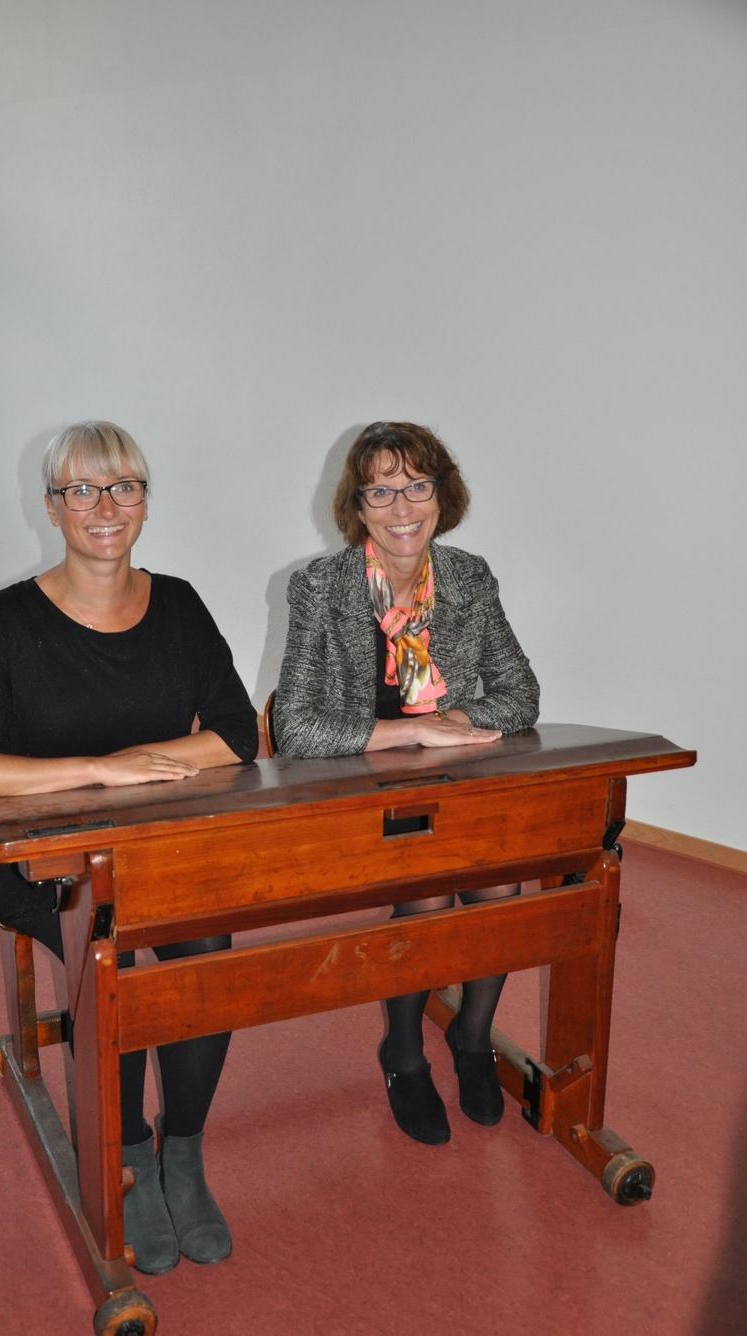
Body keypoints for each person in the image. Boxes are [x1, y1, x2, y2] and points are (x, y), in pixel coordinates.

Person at [0, 421, 258, 1273]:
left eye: (124, 487)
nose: (104, 507)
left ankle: (179, 1151)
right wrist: (97, 772)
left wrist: (139, 772)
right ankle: (119, 1160)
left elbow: (234, 734)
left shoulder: (180, 604)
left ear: (146, 500)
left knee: (205, 946)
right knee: (112, 957)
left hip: (160, 852)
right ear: (52, 506)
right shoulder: (6, 622)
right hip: (48, 867)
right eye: (82, 490)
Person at [273, 421, 539, 1146]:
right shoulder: (321, 588)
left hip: (450, 778)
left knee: (499, 887)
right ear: (357, 507)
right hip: (359, 787)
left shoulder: (468, 577)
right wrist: (406, 731)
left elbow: (520, 695)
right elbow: (294, 727)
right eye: (382, 491)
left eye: (416, 487)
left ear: (441, 495)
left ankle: (474, 1039)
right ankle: (404, 1052)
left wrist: (451, 716)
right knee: (426, 891)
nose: (402, 508)